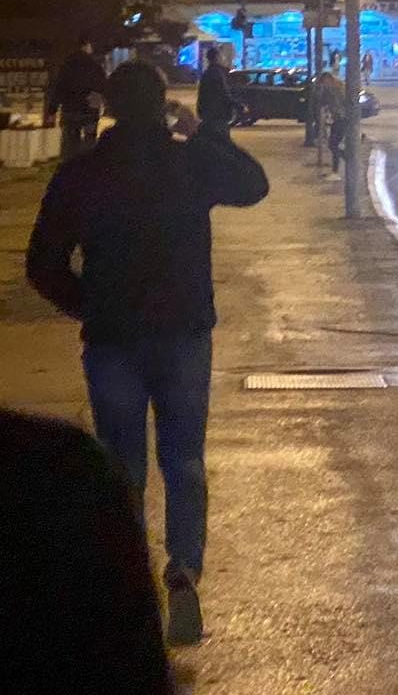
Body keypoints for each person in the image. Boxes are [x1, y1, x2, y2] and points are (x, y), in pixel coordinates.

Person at [25, 60, 269, 647]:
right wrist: (202, 132)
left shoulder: (82, 174)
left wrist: (89, 305)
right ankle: (183, 568)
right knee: (183, 461)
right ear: (163, 106)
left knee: (120, 467)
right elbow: (252, 186)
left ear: (109, 109)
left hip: (113, 340)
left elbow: (42, 264)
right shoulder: (187, 162)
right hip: (183, 332)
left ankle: (129, 585)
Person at [0, 407, 173, 690]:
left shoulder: (55, 463)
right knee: (180, 464)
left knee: (130, 463)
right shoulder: (57, 465)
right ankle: (182, 568)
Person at [44, 37, 106, 161]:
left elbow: (58, 88)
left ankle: (70, 165)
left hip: (70, 109)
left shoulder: (67, 66)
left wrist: (52, 110)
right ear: (87, 46)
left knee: (70, 141)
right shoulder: (95, 66)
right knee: (89, 139)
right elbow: (102, 87)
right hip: (89, 109)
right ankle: (88, 165)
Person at [196, 45, 236, 137]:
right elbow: (223, 93)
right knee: (220, 139)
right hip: (218, 114)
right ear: (217, 57)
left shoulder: (207, 73)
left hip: (208, 113)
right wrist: (237, 104)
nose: (223, 58)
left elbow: (202, 94)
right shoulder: (218, 73)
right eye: (221, 56)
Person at [312, 67, 346, 172]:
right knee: (334, 144)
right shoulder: (339, 87)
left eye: (324, 82)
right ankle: (341, 163)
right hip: (340, 119)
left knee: (333, 144)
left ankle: (345, 160)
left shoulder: (332, 89)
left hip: (340, 119)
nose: (324, 84)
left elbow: (322, 100)